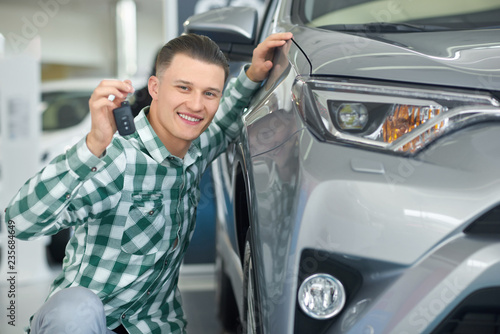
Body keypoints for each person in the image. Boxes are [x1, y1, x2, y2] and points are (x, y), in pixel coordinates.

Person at [5, 31, 293, 334]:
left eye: (210, 93)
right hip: (89, 324)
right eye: (184, 88)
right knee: (76, 309)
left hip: (152, 326)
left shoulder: (194, 152)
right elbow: (19, 222)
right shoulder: (115, 160)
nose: (196, 105)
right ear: (155, 87)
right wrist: (92, 145)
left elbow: (223, 120)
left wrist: (252, 73)